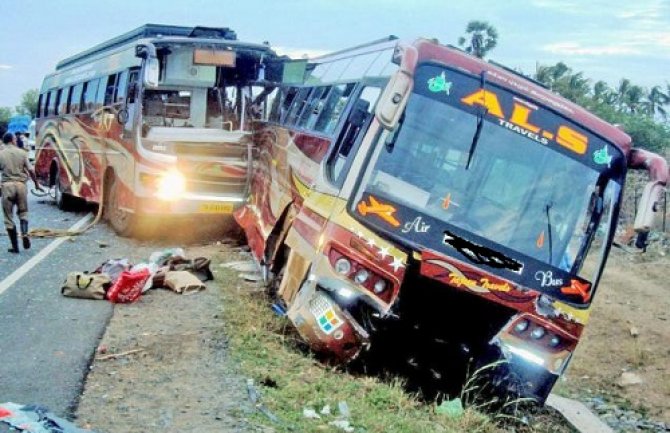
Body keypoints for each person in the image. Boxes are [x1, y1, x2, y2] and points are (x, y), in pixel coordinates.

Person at [0, 132, 44, 253]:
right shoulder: (22, 153)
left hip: (7, 186)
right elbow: (31, 170)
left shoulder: (1, 154)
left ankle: (15, 247)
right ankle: (24, 234)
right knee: (23, 213)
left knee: (8, 217)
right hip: (21, 186)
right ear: (13, 140)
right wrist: (36, 184)